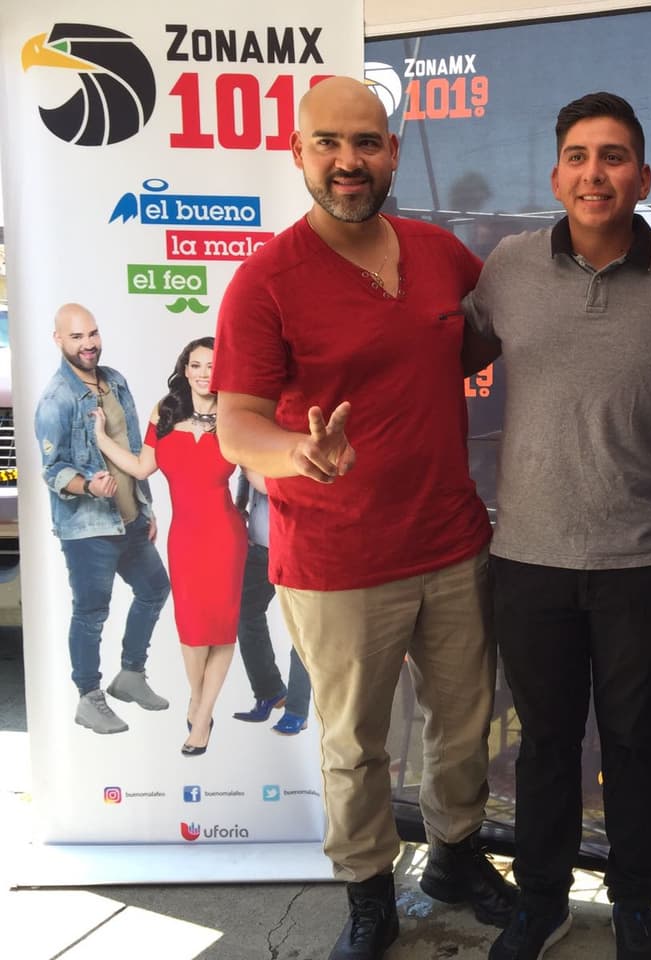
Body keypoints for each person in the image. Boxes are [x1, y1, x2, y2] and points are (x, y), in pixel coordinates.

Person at [211, 75, 514, 960]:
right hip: (336, 558)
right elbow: (235, 423)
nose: (351, 161)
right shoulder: (266, 281)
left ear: (390, 149)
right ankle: (369, 891)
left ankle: (455, 858)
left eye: (368, 143)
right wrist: (296, 454)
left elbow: (480, 342)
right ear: (299, 154)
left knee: (464, 725)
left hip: (453, 542)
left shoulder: (440, 253)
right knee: (354, 746)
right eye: (331, 144)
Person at [463, 91, 651, 960]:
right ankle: (543, 901)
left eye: (612, 156)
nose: (593, 173)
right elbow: (433, 361)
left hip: (647, 555)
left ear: (643, 176)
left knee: (635, 741)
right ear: (556, 172)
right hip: (529, 553)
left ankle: (637, 900)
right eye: (577, 155)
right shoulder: (508, 270)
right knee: (546, 744)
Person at [92, 336, 248, 757]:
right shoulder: (166, 410)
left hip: (226, 537)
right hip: (186, 537)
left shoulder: (237, 417)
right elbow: (143, 466)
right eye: (196, 365)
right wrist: (103, 439)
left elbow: (261, 475)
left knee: (222, 628)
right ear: (185, 368)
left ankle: (201, 715)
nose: (203, 373)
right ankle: (197, 699)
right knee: (194, 631)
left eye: (212, 366)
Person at [35, 302, 171, 735]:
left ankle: (130, 674)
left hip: (129, 520)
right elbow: (52, 472)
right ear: (58, 340)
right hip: (89, 528)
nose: (88, 343)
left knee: (154, 589)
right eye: (76, 337)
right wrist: (88, 486)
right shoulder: (56, 399)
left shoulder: (115, 381)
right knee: (92, 612)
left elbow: (131, 448)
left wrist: (145, 508)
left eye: (92, 334)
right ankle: (89, 697)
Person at [229, 467, 312, 735]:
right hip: (259, 545)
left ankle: (297, 711)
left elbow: (270, 483)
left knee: (301, 630)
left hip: (298, 546)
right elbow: (248, 477)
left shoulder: (298, 432)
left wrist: (243, 457)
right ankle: (270, 691)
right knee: (244, 613)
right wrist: (240, 505)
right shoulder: (254, 433)